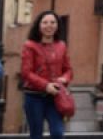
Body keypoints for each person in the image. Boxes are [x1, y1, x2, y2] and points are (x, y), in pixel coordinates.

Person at [20, 10, 73, 139]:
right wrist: (45, 85)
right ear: (39, 25)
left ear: (57, 26)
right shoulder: (30, 45)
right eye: (45, 22)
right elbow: (26, 72)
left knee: (57, 133)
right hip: (34, 97)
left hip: (55, 97)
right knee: (36, 134)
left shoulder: (61, 45)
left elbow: (68, 70)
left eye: (53, 22)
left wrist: (63, 79)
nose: (49, 26)